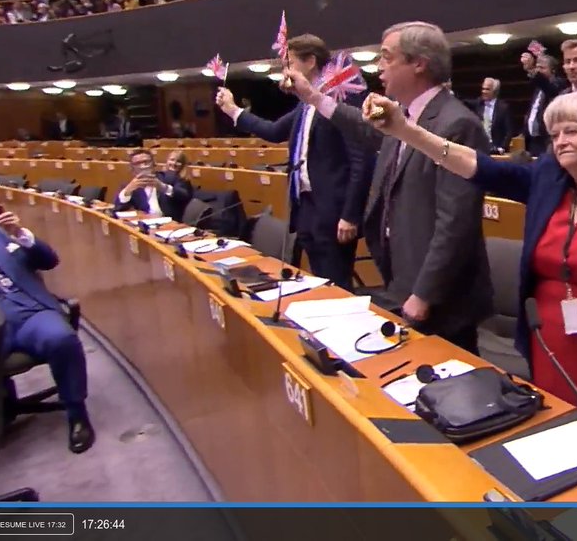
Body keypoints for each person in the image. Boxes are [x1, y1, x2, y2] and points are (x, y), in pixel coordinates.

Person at [356, 90, 577, 439]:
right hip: (548, 340)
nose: (560, 142)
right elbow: (477, 167)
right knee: (556, 434)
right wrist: (405, 130)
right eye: (554, 135)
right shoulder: (548, 180)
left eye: (571, 131)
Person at [284, 22, 492, 353]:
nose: (379, 66)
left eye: (387, 57)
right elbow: (364, 129)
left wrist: (424, 294)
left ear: (418, 64)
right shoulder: (405, 116)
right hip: (402, 280)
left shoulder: (457, 124)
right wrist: (312, 96)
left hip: (441, 296)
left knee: (454, 389)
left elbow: (456, 222)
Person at [215, 34, 374, 290]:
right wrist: (233, 110)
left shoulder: (339, 98)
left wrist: (351, 215)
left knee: (337, 283)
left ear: (310, 61)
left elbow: (362, 159)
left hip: (334, 209)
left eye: (289, 63)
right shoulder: (305, 105)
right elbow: (274, 131)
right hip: (307, 207)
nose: (285, 70)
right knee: (318, 281)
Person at [0, 197, 95, 453]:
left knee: (61, 338)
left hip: (26, 310)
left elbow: (49, 261)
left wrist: (21, 235)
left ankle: (77, 413)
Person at [114, 149, 193, 220]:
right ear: (132, 168)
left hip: (168, 224)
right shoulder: (129, 186)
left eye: (146, 162)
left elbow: (185, 196)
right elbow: (118, 208)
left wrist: (163, 187)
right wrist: (128, 191)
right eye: (138, 163)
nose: (143, 166)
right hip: (144, 224)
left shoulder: (170, 177)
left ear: (154, 164)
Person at [521, 52, 563, 156]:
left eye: (542, 68)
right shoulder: (537, 88)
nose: (539, 71)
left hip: (547, 140)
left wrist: (532, 69)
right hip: (532, 140)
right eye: (537, 67)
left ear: (553, 70)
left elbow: (549, 89)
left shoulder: (558, 84)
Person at [465, 77, 514, 153]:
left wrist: (502, 147)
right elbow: (464, 102)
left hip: (496, 148)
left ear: (494, 91)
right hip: (480, 147)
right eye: (483, 89)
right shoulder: (478, 103)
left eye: (487, 89)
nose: (483, 91)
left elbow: (508, 131)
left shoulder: (503, 108)